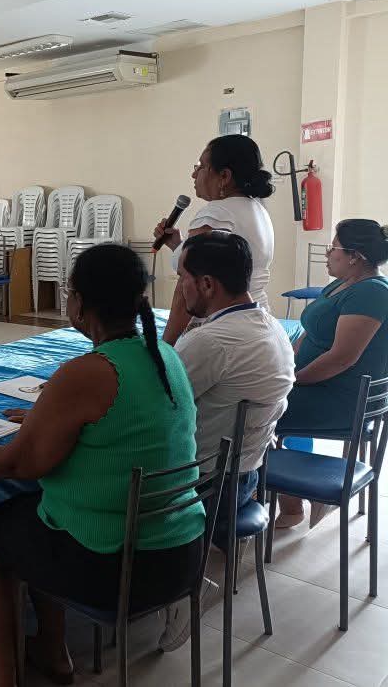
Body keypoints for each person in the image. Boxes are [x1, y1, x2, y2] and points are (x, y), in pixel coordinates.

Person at [0, 244, 206, 686]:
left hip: (121, 567)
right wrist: (44, 416)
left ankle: (4, 677)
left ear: (81, 302)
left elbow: (15, 465)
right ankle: (53, 650)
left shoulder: (88, 372)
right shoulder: (165, 355)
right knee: (40, 516)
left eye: (70, 292)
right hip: (182, 552)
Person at [159, 232, 295, 651]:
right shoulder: (271, 326)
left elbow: (153, 403)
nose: (179, 289)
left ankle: (178, 586)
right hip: (246, 476)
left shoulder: (210, 341)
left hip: (199, 489)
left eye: (182, 279)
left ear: (206, 284)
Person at [274, 219, 388, 529]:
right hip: (321, 387)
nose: (327, 254)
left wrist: (293, 380)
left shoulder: (372, 293)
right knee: (257, 400)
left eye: (333, 248)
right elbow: (311, 330)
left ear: (355, 256)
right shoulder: (342, 284)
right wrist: (286, 361)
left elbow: (341, 358)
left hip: (340, 399)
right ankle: (290, 496)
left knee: (253, 411)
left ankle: (293, 500)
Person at [154, 134, 275, 345]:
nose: (194, 174)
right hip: (256, 319)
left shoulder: (216, 213)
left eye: (201, 166)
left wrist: (165, 347)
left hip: (222, 329)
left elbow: (189, 286)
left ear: (224, 176)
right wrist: (179, 246)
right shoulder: (257, 208)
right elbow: (224, 264)